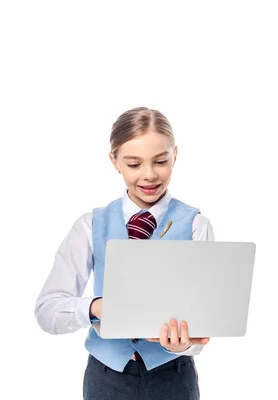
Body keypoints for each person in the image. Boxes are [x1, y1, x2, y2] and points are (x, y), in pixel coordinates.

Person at [35, 107, 212, 400]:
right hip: (106, 378)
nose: (149, 175)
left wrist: (183, 345)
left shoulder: (196, 226)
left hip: (174, 377)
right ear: (114, 161)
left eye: (161, 161)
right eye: (133, 164)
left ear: (175, 156)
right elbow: (47, 311)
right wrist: (95, 308)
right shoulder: (89, 226)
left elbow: (205, 319)